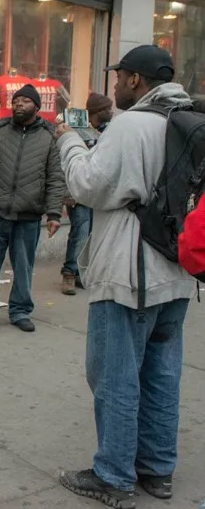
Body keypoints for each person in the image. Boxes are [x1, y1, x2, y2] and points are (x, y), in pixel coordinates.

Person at [55, 45, 196, 508]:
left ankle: (113, 476)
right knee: (161, 374)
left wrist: (70, 142)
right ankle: (158, 471)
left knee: (115, 377)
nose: (114, 85)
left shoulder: (132, 124)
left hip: (130, 275)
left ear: (136, 80)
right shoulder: (188, 121)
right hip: (177, 274)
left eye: (119, 77)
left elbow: (88, 185)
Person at [0, 84, 65, 333]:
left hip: (28, 216)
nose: (19, 104)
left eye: (25, 101)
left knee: (23, 267)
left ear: (37, 106)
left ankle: (20, 311)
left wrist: (54, 213)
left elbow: (55, 177)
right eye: (16, 100)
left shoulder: (48, 137)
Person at [60, 93, 114, 296]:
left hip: (96, 190)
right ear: (97, 112)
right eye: (107, 109)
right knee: (80, 232)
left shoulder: (107, 132)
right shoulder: (75, 131)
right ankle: (69, 273)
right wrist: (67, 192)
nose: (110, 112)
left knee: (92, 233)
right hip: (78, 190)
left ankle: (83, 273)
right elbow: (65, 162)